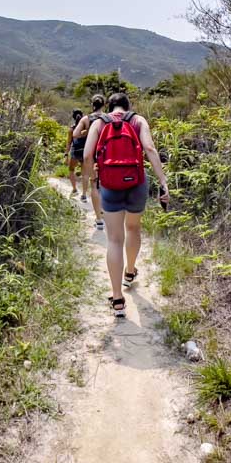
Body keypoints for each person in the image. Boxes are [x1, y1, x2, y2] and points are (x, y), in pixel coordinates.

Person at [82, 92, 169, 317]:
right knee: (133, 228)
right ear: (128, 106)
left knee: (114, 239)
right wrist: (163, 181)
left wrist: (93, 178)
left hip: (110, 185)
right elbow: (150, 149)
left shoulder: (99, 123)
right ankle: (130, 272)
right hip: (136, 183)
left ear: (110, 107)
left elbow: (87, 155)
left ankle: (117, 300)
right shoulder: (138, 120)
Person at [70, 94, 107, 227]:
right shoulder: (107, 118)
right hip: (106, 153)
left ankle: (98, 219)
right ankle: (105, 210)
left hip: (90, 154)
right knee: (106, 183)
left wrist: (86, 132)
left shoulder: (86, 118)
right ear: (104, 105)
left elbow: (75, 134)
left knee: (94, 182)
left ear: (92, 105)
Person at [65, 109, 85, 195]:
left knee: (71, 170)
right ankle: (84, 194)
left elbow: (69, 143)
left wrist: (66, 154)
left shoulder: (72, 129)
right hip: (84, 151)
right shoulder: (86, 128)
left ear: (73, 117)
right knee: (85, 173)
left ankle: (74, 190)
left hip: (75, 152)